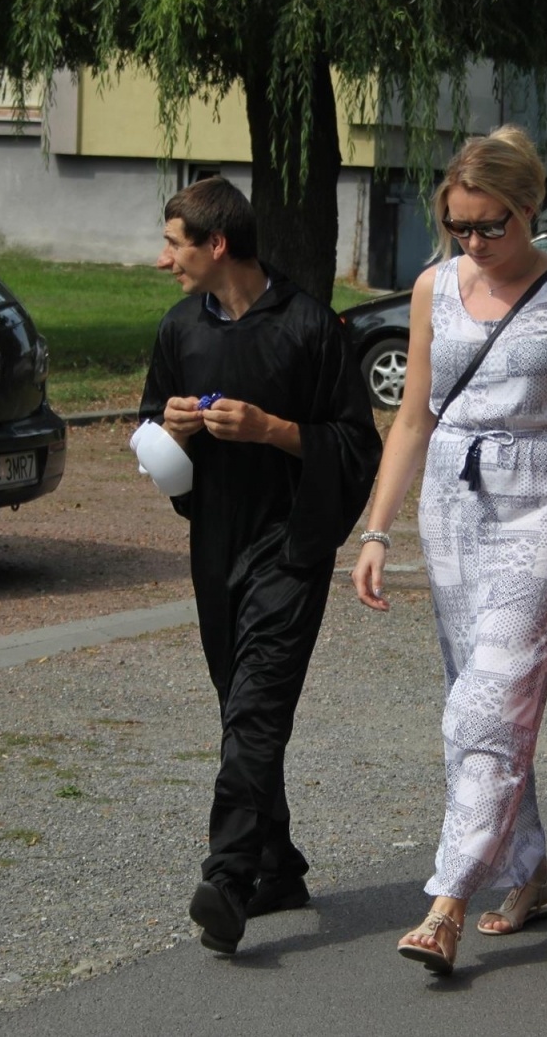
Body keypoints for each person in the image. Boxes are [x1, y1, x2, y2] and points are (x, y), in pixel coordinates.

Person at [350, 125, 547, 975]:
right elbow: (414, 416)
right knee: (486, 695)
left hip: (541, 501)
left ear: (530, 209)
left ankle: (447, 900)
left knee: (486, 705)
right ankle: (529, 871)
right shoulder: (434, 286)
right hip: (452, 507)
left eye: (490, 225)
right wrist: (377, 530)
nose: (474, 242)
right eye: (460, 226)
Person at [136, 177, 382, 955]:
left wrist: (274, 429)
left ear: (216, 246)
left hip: (291, 544)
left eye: (173, 242)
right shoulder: (180, 331)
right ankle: (278, 868)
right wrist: (168, 428)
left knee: (254, 709)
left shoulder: (312, 327)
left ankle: (229, 877)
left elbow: (356, 448)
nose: (162, 258)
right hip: (214, 544)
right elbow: (150, 436)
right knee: (237, 705)